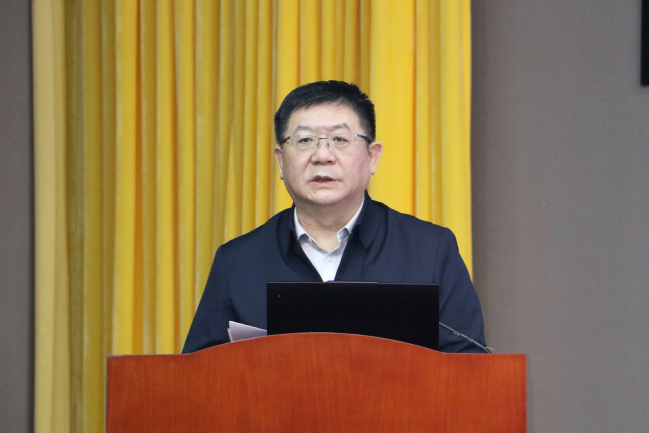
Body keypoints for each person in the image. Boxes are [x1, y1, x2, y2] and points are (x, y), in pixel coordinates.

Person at [182, 81, 486, 354]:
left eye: (340, 139)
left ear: (372, 157)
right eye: (304, 140)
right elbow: (199, 378)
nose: (322, 155)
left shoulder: (431, 250)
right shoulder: (237, 262)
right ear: (280, 161)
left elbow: (469, 369)